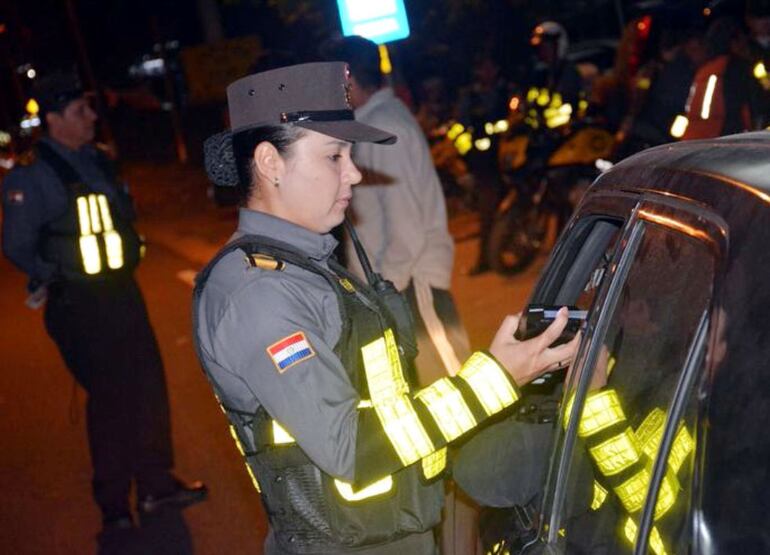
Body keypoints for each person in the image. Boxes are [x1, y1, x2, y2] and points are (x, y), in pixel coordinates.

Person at [194, 61, 579, 555]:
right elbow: (352, 448)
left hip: (390, 531)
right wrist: (492, 380)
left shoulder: (308, 264)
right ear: (270, 163)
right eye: (334, 155)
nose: (353, 172)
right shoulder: (260, 294)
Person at [1, 70, 207, 532]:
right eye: (80, 110)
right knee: (112, 399)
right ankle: (114, 505)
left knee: (147, 387)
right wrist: (56, 277)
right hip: (80, 304)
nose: (92, 116)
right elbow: (16, 243)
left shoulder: (96, 160)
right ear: (54, 119)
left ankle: (156, 485)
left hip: (121, 292)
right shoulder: (32, 175)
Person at [320, 35, 478, 554]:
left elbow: (404, 232)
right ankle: (461, 506)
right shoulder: (379, 122)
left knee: (466, 398)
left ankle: (493, 501)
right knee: (439, 402)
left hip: (413, 286)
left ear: (348, 78)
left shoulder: (383, 126)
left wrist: (375, 295)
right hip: (403, 284)